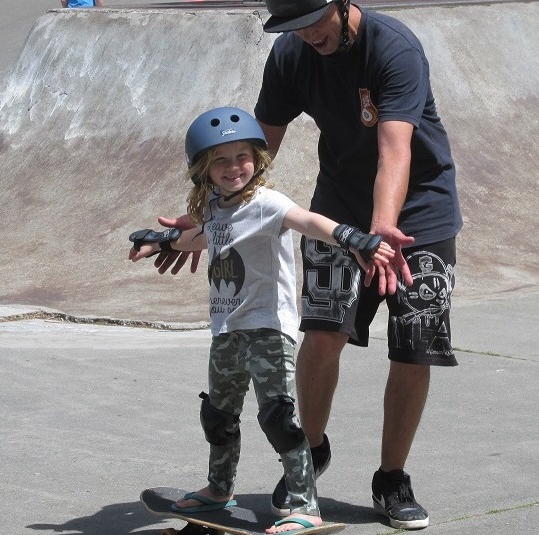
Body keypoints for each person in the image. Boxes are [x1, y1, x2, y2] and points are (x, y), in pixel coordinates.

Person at [154, 0, 463, 529]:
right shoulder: (292, 54)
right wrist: (207, 218)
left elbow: (395, 150)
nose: (306, 35)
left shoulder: (393, 49)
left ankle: (392, 479)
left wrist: (381, 227)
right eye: (293, 27)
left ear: (343, 5)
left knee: (413, 351)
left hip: (417, 217)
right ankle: (310, 453)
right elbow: (252, 149)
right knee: (323, 334)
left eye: (314, 22)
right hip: (336, 210)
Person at [128, 107, 395, 534]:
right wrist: (160, 240)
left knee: (279, 419)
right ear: (203, 171)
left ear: (258, 158)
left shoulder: (268, 203)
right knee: (218, 415)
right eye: (221, 160)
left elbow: (308, 221)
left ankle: (304, 505)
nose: (234, 167)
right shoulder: (214, 209)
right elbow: (199, 236)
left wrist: (349, 236)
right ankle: (219, 490)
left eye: (242, 156)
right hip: (226, 329)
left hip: (269, 329)